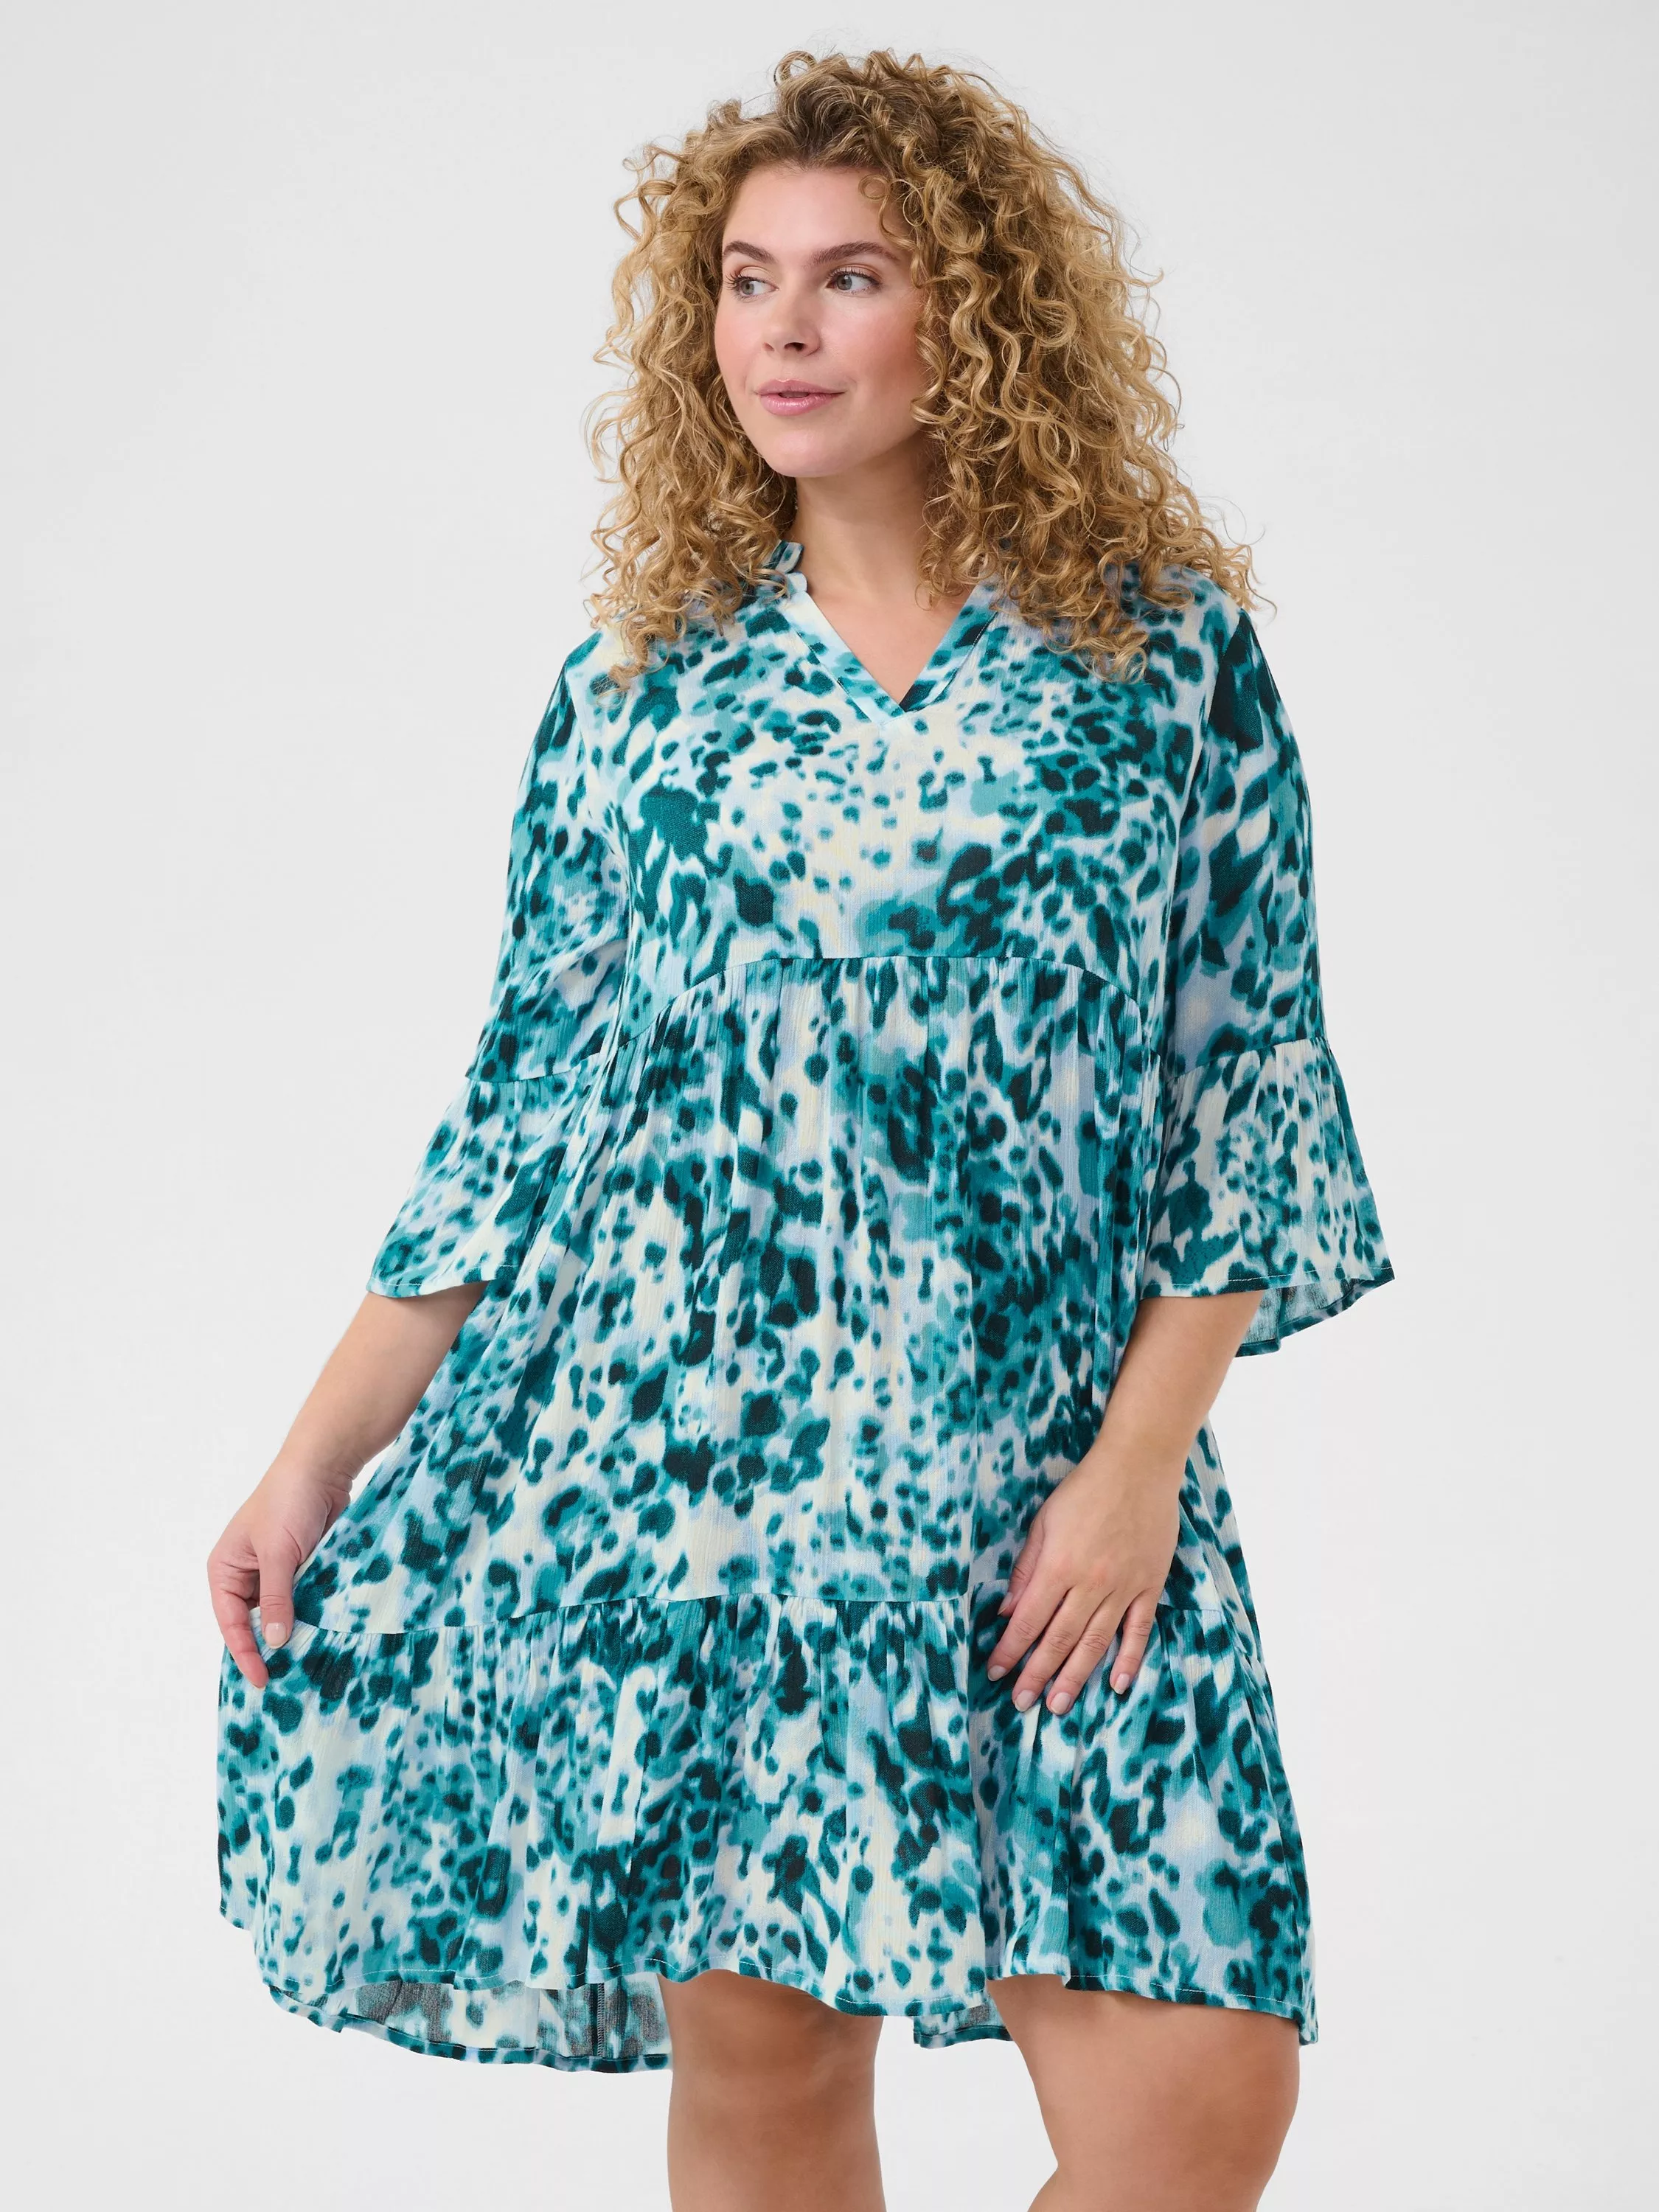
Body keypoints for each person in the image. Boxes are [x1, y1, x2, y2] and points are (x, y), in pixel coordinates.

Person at [209, 46, 1396, 2212]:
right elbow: (522, 1116)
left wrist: (1135, 1474)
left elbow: (1246, 1092)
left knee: (1198, 2111)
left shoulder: (1160, 665)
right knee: (771, 2101)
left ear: (976, 316)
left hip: (1050, 1488)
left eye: (850, 276)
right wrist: (314, 1457)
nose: (784, 327)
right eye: (748, 280)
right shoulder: (640, 692)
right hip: (703, 1493)